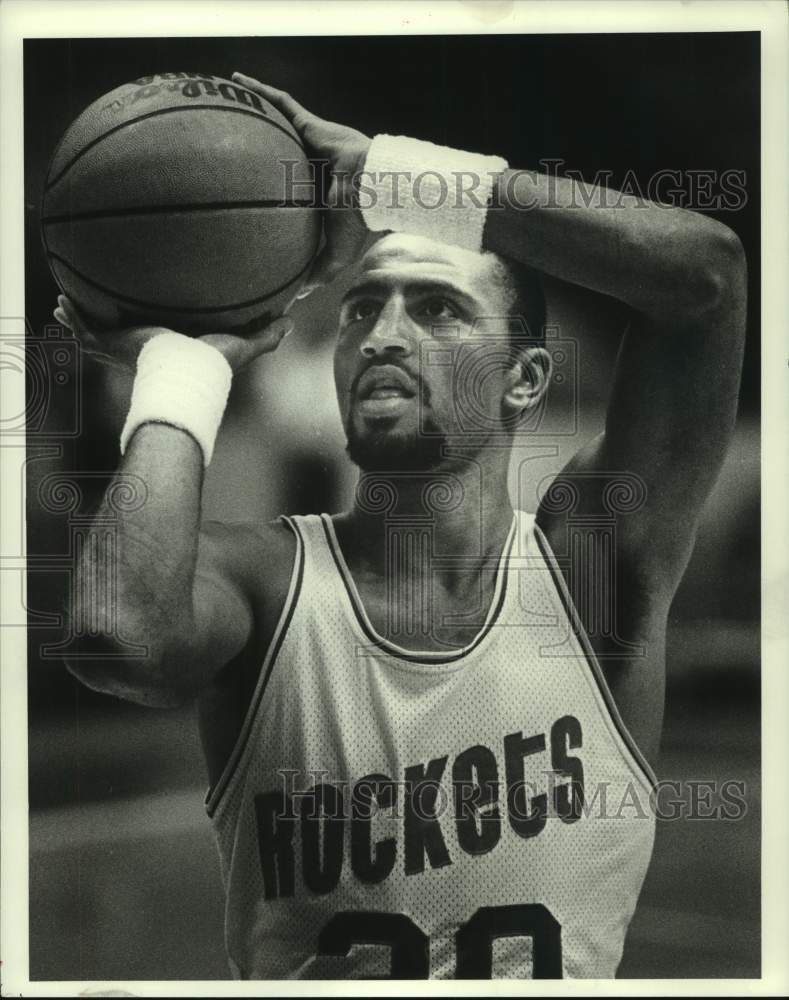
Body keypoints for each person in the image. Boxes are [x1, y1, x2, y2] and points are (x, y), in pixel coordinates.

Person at [58, 70, 747, 980]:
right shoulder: (265, 581)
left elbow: (705, 276)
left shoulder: (590, 570)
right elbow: (119, 638)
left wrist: (394, 176)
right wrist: (184, 370)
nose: (383, 333)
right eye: (360, 307)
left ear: (526, 379)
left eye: (436, 308)